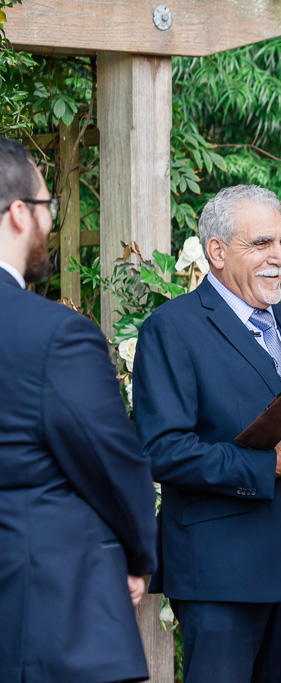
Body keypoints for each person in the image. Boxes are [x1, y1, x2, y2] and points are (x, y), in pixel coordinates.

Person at [133, 185, 281, 683]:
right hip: (219, 575)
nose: (279, 258)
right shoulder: (171, 328)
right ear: (217, 252)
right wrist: (270, 465)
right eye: (262, 244)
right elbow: (161, 451)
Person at [0, 136, 157, 682]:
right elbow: (110, 462)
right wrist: (138, 556)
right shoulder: (52, 335)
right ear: (19, 214)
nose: (50, 221)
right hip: (39, 616)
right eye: (47, 207)